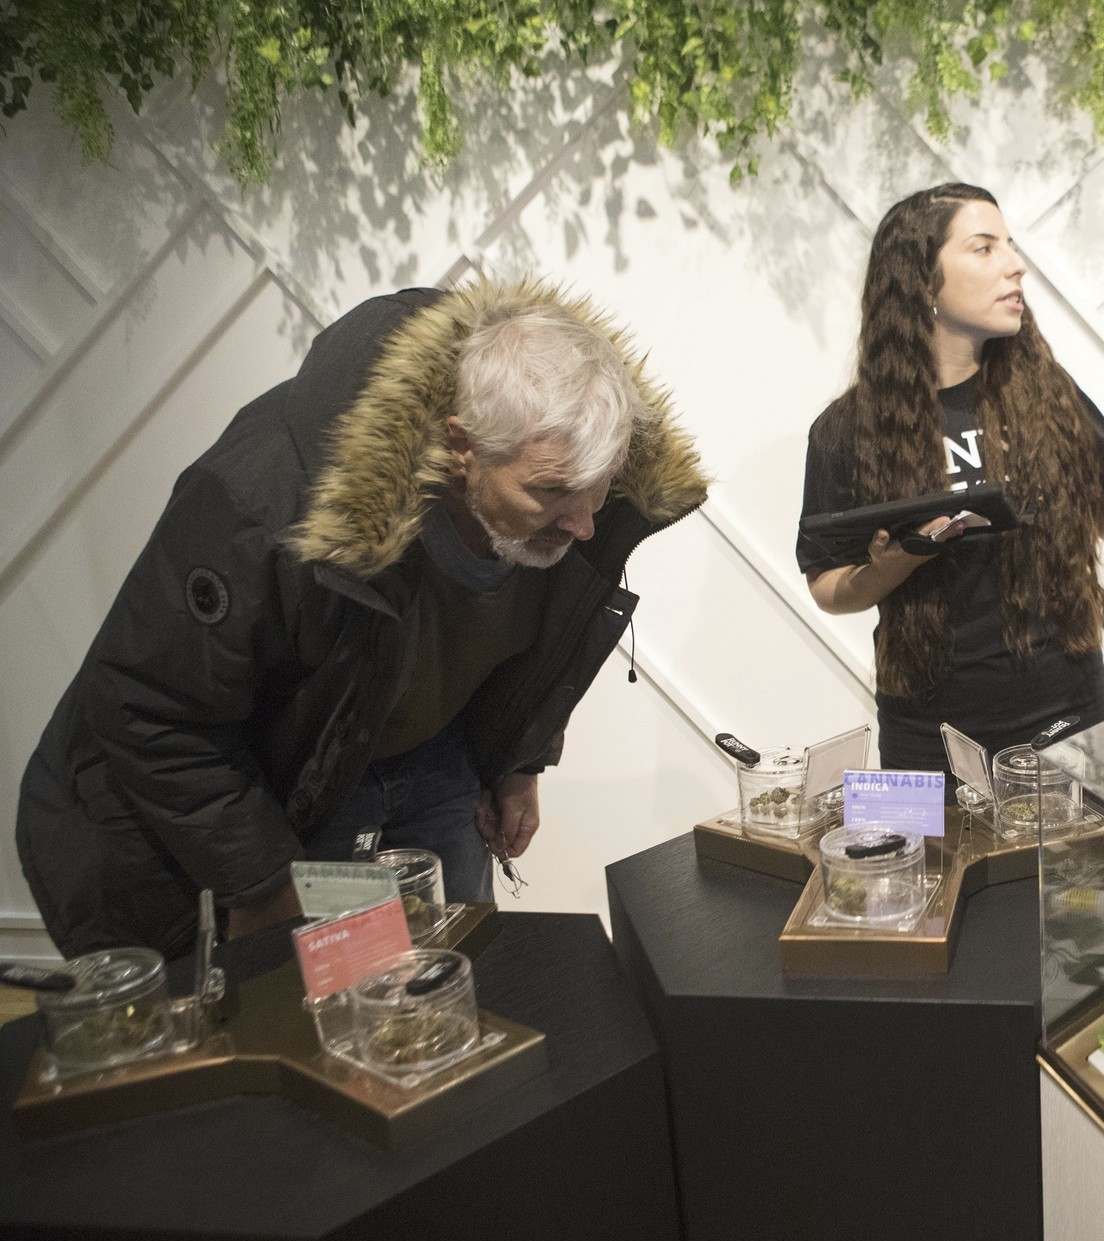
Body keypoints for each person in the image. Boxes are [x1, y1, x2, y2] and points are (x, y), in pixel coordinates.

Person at [16, 281, 708, 955]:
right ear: (460, 445)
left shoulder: (567, 495)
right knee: (326, 1020)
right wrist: (261, 881)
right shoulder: (263, 502)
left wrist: (520, 759)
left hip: (425, 751)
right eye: (551, 493)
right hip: (276, 774)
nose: (586, 525)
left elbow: (536, 641)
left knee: (458, 983)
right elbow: (146, 708)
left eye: (600, 491)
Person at [797, 182, 1104, 772]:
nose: (1015, 267)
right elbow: (827, 584)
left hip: (1068, 721)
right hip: (926, 742)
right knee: (937, 869)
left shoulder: (1044, 394)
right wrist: (890, 568)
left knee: (1084, 870)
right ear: (920, 278)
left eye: (1010, 246)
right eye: (984, 249)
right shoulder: (846, 430)